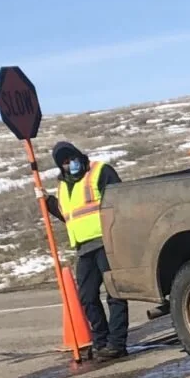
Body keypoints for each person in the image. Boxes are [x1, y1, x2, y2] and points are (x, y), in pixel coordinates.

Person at [44, 141, 129, 358]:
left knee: (115, 294)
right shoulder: (63, 185)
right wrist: (47, 202)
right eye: (63, 162)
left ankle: (117, 344)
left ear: (78, 156)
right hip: (83, 248)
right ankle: (100, 340)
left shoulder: (100, 171)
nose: (69, 164)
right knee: (87, 297)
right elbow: (68, 215)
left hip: (106, 242)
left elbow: (119, 200)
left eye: (70, 158)